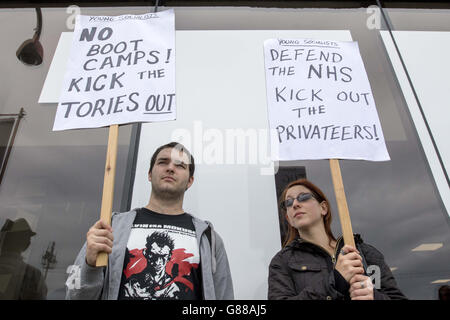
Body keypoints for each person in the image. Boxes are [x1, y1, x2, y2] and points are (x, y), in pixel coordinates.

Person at [66, 142, 234, 300]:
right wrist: (89, 265)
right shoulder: (111, 228)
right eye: (163, 162)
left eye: (180, 165)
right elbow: (73, 294)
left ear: (190, 181)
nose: (170, 168)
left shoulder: (208, 239)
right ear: (149, 174)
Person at [268, 178, 406, 300]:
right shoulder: (282, 262)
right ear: (288, 219)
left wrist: (374, 296)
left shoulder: (364, 253)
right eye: (288, 202)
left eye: (303, 197)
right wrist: (335, 282)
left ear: (323, 208)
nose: (295, 204)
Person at [0, 218, 47, 299]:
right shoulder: (33, 275)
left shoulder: (33, 274)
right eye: (28, 238)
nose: (29, 242)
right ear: (25, 244)